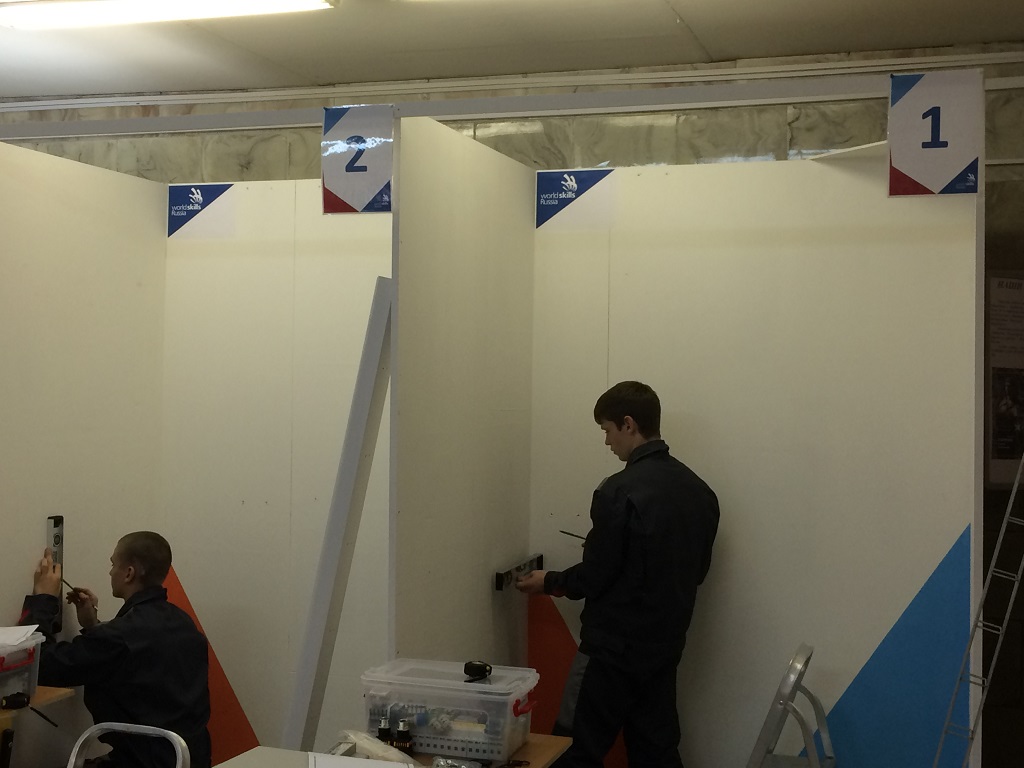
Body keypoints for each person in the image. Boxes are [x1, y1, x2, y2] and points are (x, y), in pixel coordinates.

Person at [516, 381, 719, 768]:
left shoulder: (619, 491)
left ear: (628, 424)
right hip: (664, 647)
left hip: (611, 651)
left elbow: (596, 576)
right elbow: (698, 572)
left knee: (572, 748)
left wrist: (550, 581)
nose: (607, 441)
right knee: (656, 750)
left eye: (607, 429)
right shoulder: (700, 492)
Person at [20, 532, 212, 768]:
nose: (110, 572)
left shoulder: (120, 637)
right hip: (188, 760)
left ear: (129, 573)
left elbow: (39, 664)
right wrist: (93, 626)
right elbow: (134, 657)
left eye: (113, 564)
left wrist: (44, 598)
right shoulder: (182, 622)